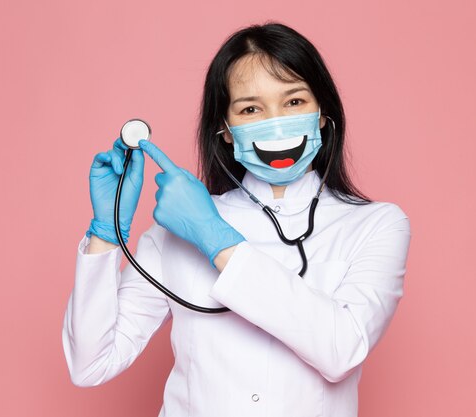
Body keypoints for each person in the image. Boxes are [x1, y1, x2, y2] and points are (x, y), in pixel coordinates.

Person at [62, 22, 411, 417]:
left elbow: (342, 349)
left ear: (322, 114)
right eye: (250, 108)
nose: (275, 122)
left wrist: (215, 239)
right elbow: (90, 364)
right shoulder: (175, 230)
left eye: (294, 102)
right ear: (225, 131)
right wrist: (106, 234)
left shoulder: (376, 225)